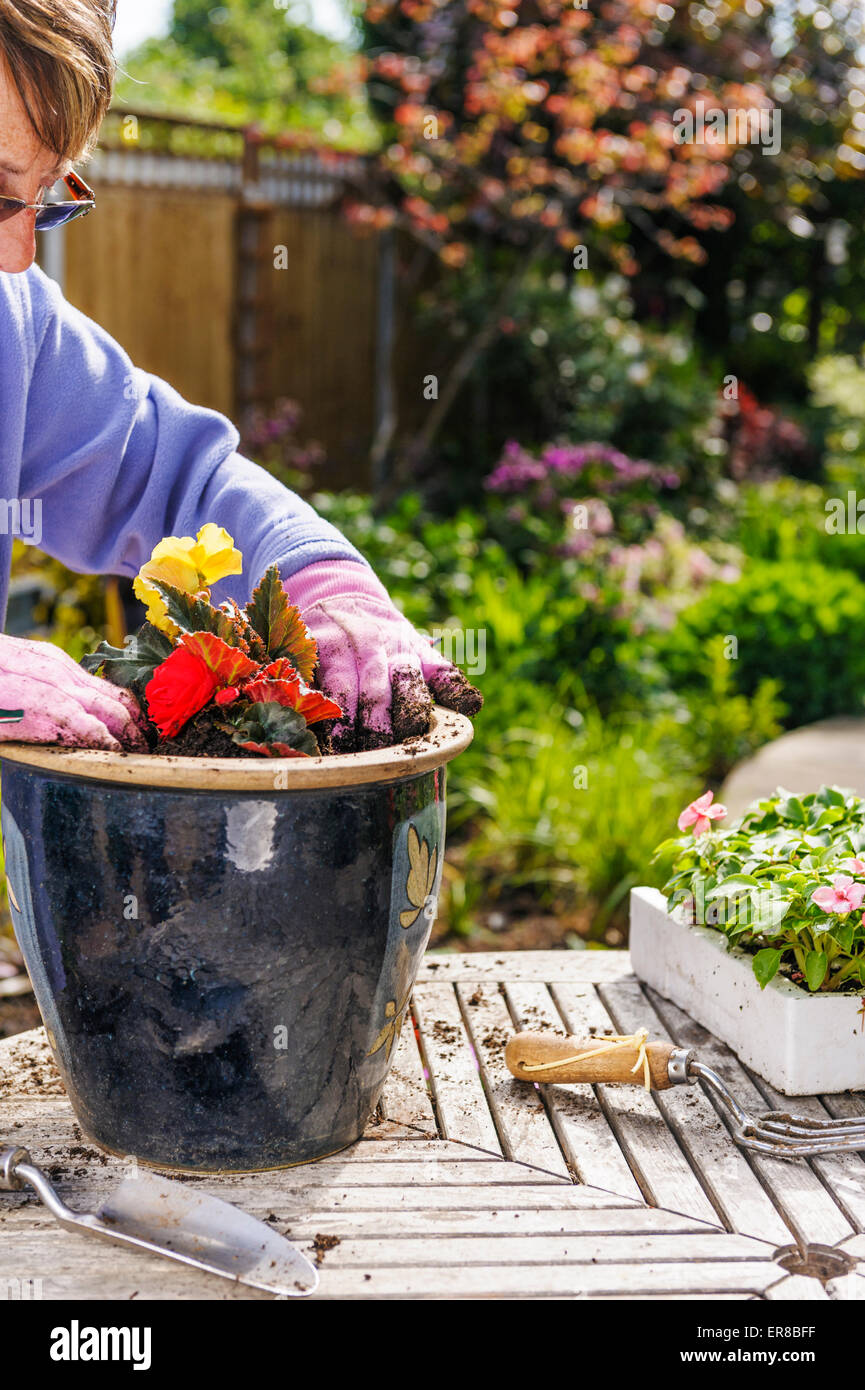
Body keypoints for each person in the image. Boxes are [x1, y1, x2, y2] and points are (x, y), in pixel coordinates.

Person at [0, 0, 481, 753]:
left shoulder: (11, 323)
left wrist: (318, 579)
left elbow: (167, 479)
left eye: (45, 197)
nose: (20, 254)